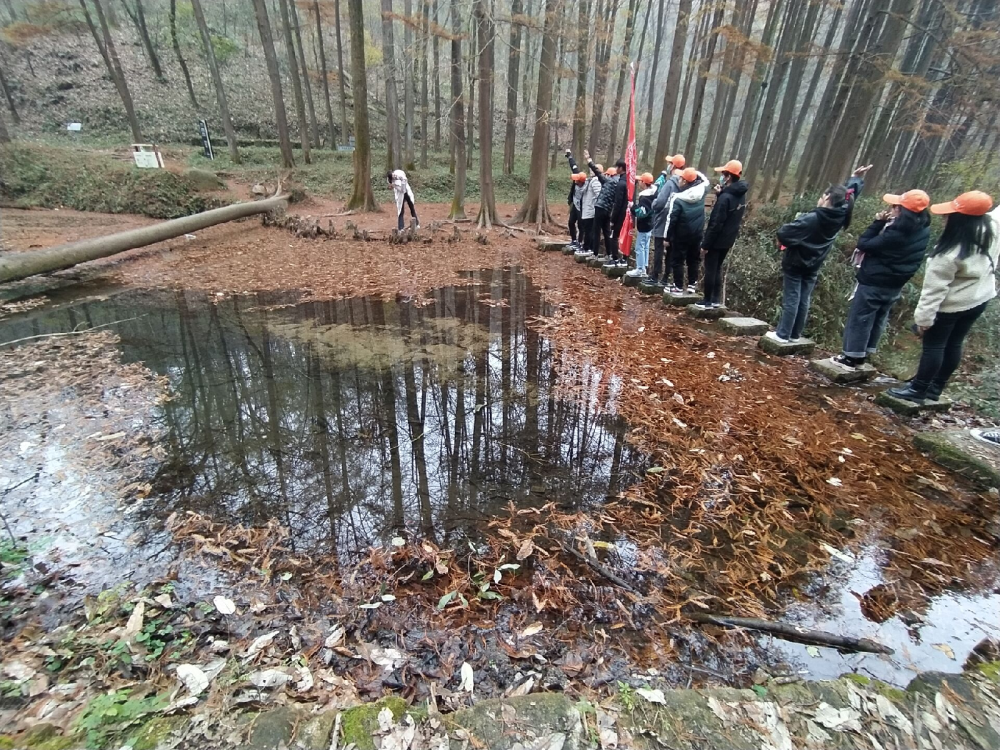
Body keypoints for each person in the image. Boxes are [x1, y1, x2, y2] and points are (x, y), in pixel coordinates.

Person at [887, 191, 999, 403]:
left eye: (950, 215)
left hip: (952, 305)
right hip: (979, 298)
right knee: (955, 343)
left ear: (960, 221)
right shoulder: (992, 228)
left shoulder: (946, 254)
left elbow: (933, 292)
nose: (945, 218)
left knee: (934, 346)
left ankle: (918, 390)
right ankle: (935, 388)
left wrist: (923, 321)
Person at [765, 165, 871, 344]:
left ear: (828, 197)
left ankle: (783, 334)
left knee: (792, 298)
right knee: (804, 298)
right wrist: (855, 179)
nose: (820, 198)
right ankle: (795, 334)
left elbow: (784, 232)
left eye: (823, 195)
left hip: (796, 261)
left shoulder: (813, 218)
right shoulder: (839, 216)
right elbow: (849, 196)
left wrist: (785, 241)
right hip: (815, 262)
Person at [833, 189, 932, 369]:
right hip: (895, 284)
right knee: (879, 317)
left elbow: (864, 244)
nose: (891, 209)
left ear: (903, 211)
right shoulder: (923, 228)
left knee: (860, 317)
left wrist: (877, 223)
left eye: (895, 206)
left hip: (875, 280)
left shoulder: (896, 233)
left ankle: (850, 359)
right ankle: (866, 353)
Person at [698, 160, 749, 308]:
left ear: (728, 177)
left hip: (717, 239)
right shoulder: (740, 194)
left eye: (723, 174)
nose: (721, 176)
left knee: (710, 268)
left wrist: (705, 244)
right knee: (718, 267)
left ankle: (707, 300)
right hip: (729, 238)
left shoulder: (725, 198)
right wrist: (721, 193)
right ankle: (715, 299)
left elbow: (716, 223)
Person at [663, 167, 709, 294]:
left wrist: (667, 238)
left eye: (681, 178)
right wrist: (695, 173)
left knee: (677, 260)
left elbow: (671, 220)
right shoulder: (702, 191)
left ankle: (678, 287)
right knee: (693, 259)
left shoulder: (678, 199)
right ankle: (691, 285)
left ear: (684, 181)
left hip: (681, 234)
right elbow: (706, 180)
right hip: (697, 233)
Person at [649, 156, 686, 287]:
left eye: (670, 163)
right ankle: (665, 278)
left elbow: (659, 202)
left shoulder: (670, 183)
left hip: (664, 219)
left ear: (673, 166)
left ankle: (655, 276)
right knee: (670, 250)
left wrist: (653, 204)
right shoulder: (685, 183)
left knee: (659, 247)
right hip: (677, 221)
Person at [585, 150, 621, 262]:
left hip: (600, 208)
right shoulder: (619, 184)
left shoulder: (607, 181)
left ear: (609, 175)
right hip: (609, 210)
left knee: (596, 231)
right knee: (607, 232)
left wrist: (589, 160)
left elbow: (597, 172)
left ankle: (595, 253)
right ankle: (609, 254)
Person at [626, 173, 658, 279]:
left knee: (640, 247)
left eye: (640, 181)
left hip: (644, 226)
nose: (638, 183)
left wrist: (632, 207)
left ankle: (640, 269)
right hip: (649, 225)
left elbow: (641, 213)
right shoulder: (654, 192)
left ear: (644, 183)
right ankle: (643, 268)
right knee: (645, 247)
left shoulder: (645, 198)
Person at [611, 158, 630, 244]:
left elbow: (617, 203)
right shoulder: (629, 182)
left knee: (615, 236)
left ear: (621, 168)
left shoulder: (621, 183)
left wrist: (613, 219)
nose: (615, 169)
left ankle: (614, 256)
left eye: (617, 167)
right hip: (627, 213)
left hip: (620, 214)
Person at [567, 172, 587, 249]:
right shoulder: (575, 184)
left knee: (581, 225)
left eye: (577, 180)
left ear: (581, 181)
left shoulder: (586, 188)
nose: (575, 181)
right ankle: (574, 240)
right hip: (575, 205)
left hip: (582, 207)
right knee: (571, 222)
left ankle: (580, 242)